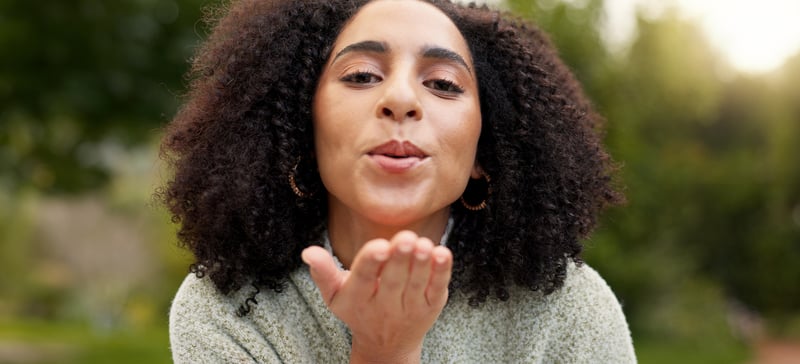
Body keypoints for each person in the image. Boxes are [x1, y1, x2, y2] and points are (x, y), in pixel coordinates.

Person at [160, 0, 636, 362]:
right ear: (302, 130)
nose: (402, 98)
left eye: (444, 84)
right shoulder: (227, 308)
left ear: (484, 154)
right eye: (363, 75)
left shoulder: (568, 308)